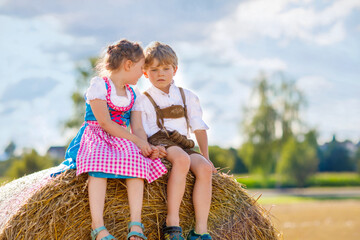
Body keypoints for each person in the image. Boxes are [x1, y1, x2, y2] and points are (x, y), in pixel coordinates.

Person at [58, 39, 168, 240]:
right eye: (140, 68)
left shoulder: (134, 95)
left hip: (122, 140)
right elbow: (105, 124)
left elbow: (138, 128)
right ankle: (98, 227)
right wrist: (137, 141)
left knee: (139, 163)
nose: (142, 73)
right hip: (96, 136)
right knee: (98, 165)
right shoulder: (99, 85)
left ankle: (136, 225)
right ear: (128, 65)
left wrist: (146, 147)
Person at [131, 42, 216, 240]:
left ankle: (200, 230)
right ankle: (172, 222)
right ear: (145, 73)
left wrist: (206, 156)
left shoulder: (188, 96)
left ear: (175, 70)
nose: (160, 73)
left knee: (203, 168)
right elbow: (140, 129)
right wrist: (149, 148)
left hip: (183, 143)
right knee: (182, 159)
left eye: (165, 69)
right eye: (154, 69)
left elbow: (199, 128)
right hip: (159, 142)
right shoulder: (142, 99)